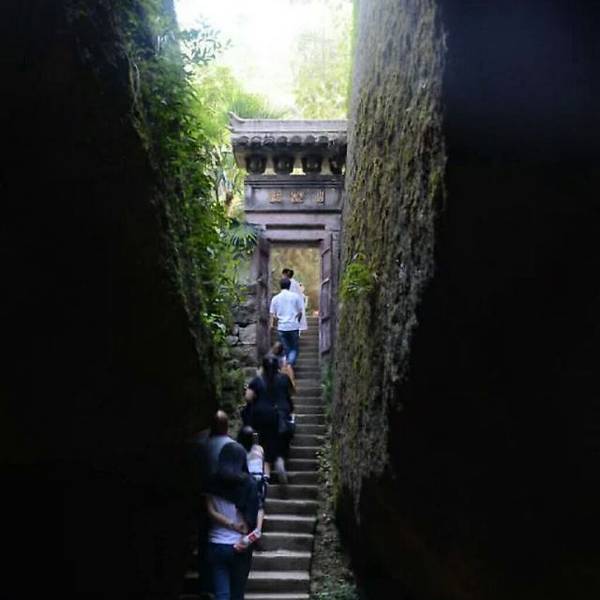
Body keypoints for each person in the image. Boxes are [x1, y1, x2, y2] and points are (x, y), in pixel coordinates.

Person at [205, 441, 259, 600]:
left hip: (216, 543)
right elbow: (251, 520)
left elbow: (209, 511)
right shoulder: (249, 484)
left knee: (221, 594)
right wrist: (245, 538)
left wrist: (229, 524)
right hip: (239, 545)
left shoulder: (211, 481)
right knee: (237, 594)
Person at [244, 355, 295, 483]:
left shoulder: (257, 380)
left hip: (262, 416)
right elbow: (292, 392)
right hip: (281, 415)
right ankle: (279, 460)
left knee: (264, 443)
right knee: (281, 441)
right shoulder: (284, 378)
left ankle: (266, 475)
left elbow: (248, 397)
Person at [237, 426, 266, 537]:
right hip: (259, 477)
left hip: (247, 477)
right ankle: (258, 529)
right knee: (260, 505)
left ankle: (246, 527)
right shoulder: (259, 449)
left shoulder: (240, 450)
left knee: (244, 503)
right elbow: (262, 464)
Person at [270, 277, 303, 367]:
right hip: (293, 326)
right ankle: (289, 364)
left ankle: (287, 364)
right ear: (289, 285)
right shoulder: (295, 297)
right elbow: (300, 312)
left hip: (282, 327)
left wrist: (272, 325)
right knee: (294, 349)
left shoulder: (275, 298)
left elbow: (272, 314)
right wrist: (297, 322)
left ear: (280, 286)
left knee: (285, 349)